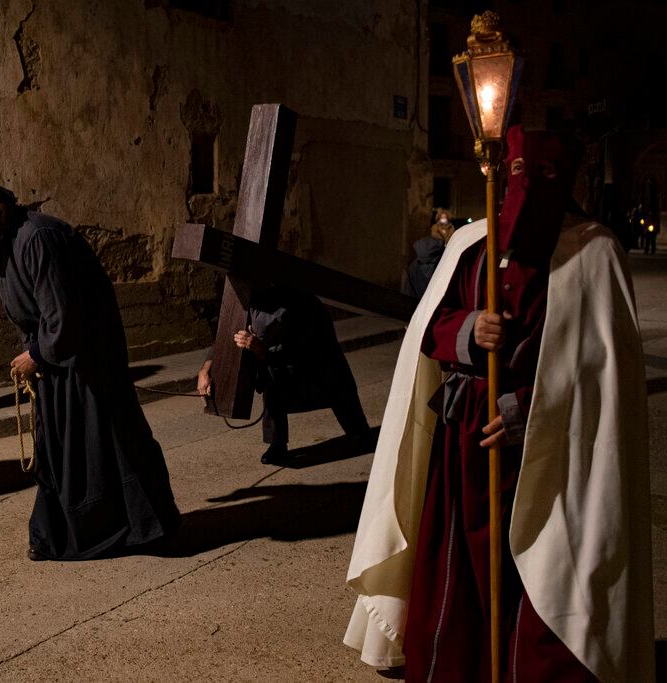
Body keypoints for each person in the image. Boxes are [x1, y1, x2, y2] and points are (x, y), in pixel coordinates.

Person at [344, 126, 653, 680]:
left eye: (548, 175)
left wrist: (528, 411)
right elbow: (428, 329)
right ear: (500, 173)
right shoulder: (469, 247)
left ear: (570, 178)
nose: (530, 185)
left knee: (548, 571)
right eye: (516, 173)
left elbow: (601, 378)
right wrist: (468, 329)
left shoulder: (594, 252)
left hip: (555, 457)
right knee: (462, 569)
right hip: (463, 448)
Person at [0, 180, 180, 561]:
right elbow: (21, 309)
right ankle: (55, 535)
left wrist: (36, 354)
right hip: (52, 358)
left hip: (87, 354)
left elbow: (64, 313)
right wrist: (33, 353)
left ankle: (147, 529)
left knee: (110, 441)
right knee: (55, 446)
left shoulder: (39, 237)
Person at [196, 286, 370, 464]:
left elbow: (303, 351)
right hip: (275, 363)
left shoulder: (301, 303)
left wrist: (260, 350)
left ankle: (359, 432)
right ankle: (277, 443)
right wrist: (206, 368)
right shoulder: (248, 295)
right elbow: (228, 330)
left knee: (337, 389)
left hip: (314, 364)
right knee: (273, 386)